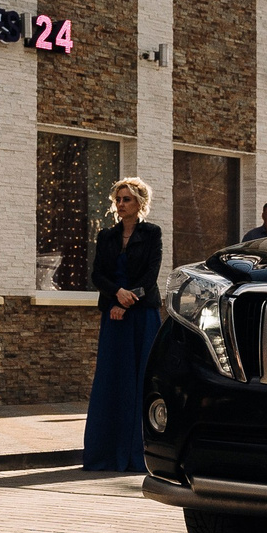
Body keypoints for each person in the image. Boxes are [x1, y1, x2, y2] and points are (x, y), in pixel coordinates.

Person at [82, 177, 163, 472]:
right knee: (112, 379)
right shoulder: (106, 236)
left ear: (140, 203)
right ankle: (106, 452)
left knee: (142, 380)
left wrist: (127, 301)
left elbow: (150, 276)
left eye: (126, 199)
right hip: (114, 316)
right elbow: (98, 275)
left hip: (142, 316)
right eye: (118, 199)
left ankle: (138, 453)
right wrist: (116, 296)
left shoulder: (152, 233)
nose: (121, 204)